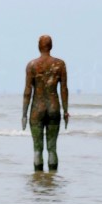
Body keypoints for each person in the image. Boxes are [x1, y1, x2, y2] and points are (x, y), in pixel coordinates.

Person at [22, 35, 69, 171]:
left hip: (37, 110)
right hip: (54, 108)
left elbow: (27, 91)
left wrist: (24, 115)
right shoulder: (60, 64)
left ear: (39, 46)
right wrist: (66, 111)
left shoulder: (32, 65)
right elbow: (64, 89)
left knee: (37, 150)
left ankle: (38, 181)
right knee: (52, 148)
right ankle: (52, 180)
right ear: (51, 46)